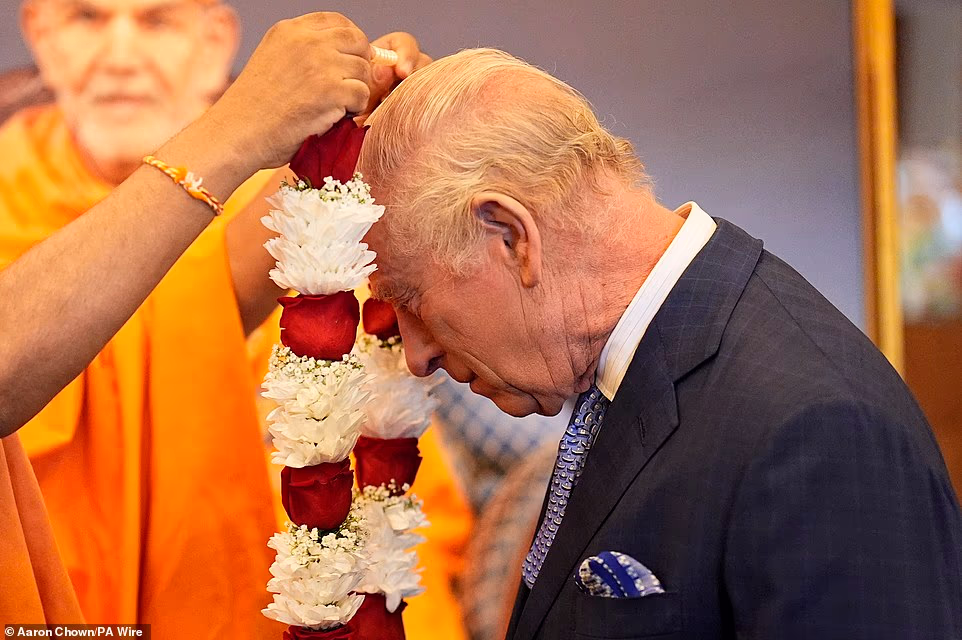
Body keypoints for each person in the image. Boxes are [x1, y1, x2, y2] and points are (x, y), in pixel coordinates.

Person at [358, 48, 962, 639]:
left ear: (513, 236)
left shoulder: (820, 432)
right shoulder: (640, 369)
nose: (416, 355)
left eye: (410, 299)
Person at [0, 4, 446, 637]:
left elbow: (394, 492)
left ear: (214, 45)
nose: (120, 57)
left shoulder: (291, 199)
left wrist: (351, 136)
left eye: (157, 23)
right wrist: (235, 131)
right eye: (86, 19)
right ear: (40, 36)